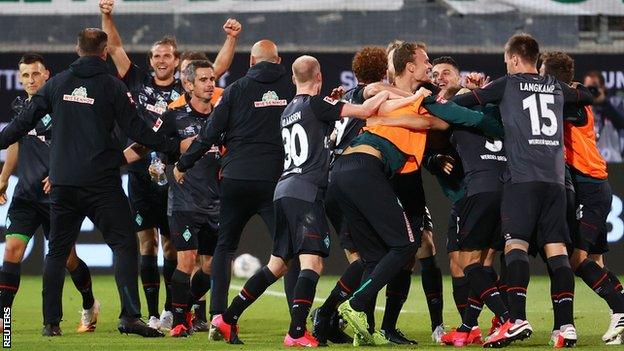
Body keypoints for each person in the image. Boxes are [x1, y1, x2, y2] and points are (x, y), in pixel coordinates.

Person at [0, 28, 179, 337]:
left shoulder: (57, 84)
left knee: (56, 252)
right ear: (104, 52)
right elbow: (136, 128)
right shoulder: (111, 86)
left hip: (63, 184)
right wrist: (171, 143)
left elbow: (20, 125)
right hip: (102, 183)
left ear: (76, 49)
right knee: (124, 244)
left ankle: (51, 324)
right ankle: (129, 317)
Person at [210, 55, 390, 347]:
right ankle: (296, 333)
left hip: (283, 190)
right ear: (319, 76)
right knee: (313, 264)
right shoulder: (318, 105)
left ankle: (227, 318)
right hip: (306, 192)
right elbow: (367, 109)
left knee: (277, 265)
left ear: (293, 79)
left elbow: (319, 138)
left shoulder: (288, 110)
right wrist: (399, 90)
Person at [100, 0, 240, 329]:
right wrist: (107, 15)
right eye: (156, 55)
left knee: (174, 247)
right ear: (150, 61)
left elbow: (216, 69)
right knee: (146, 242)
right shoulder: (136, 81)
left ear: (177, 62)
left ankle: (175, 310)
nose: (162, 60)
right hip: (140, 175)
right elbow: (115, 46)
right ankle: (152, 313)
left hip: (178, 179)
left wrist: (231, 39)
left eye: (167, 55)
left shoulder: (187, 89)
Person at [454, 33, 593, 348]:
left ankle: (515, 320)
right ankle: (565, 327)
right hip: (556, 181)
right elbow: (585, 95)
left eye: (506, 60)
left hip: (522, 179)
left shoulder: (507, 84)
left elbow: (463, 103)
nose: (507, 64)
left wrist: (468, 92)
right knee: (557, 250)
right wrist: (574, 88)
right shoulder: (556, 86)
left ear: (515, 58)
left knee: (515, 246)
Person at [174, 39, 296, 335]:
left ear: (252, 62)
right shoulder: (291, 87)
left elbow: (208, 134)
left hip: (236, 179)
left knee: (224, 248)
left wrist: (183, 163)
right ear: (278, 61)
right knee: (287, 251)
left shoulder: (235, 90)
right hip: (275, 180)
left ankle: (218, 317)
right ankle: (298, 319)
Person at [0, 53, 99, 334]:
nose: (31, 80)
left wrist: (58, 174)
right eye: (25, 76)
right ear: (20, 79)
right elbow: (16, 143)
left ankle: (89, 304)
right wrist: (4, 179)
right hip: (26, 196)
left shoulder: (63, 107)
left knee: (67, 259)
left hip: (59, 197)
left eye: (35, 74)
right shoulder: (21, 106)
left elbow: (77, 146)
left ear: (47, 75)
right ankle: (3, 317)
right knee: (12, 250)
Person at [125, 60, 221, 337]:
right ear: (189, 85)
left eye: (212, 79)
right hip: (183, 202)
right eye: (203, 79)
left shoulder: (221, 116)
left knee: (210, 267)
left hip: (215, 201)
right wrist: (115, 161)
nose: (210, 84)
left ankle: (183, 307)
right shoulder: (173, 117)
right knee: (186, 261)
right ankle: (179, 321)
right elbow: (149, 145)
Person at [542, 52, 624, 346]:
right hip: (595, 183)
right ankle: (619, 314)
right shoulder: (573, 94)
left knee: (577, 260)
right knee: (595, 262)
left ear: (548, 76)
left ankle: (620, 307)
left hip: (589, 187)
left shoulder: (573, 99)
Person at [583, 71, 624, 162]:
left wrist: (604, 102)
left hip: (612, 159)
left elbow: (621, 123)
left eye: (594, 87)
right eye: (587, 88)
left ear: (602, 88)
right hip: (588, 159)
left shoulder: (614, 103)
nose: (591, 91)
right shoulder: (581, 107)